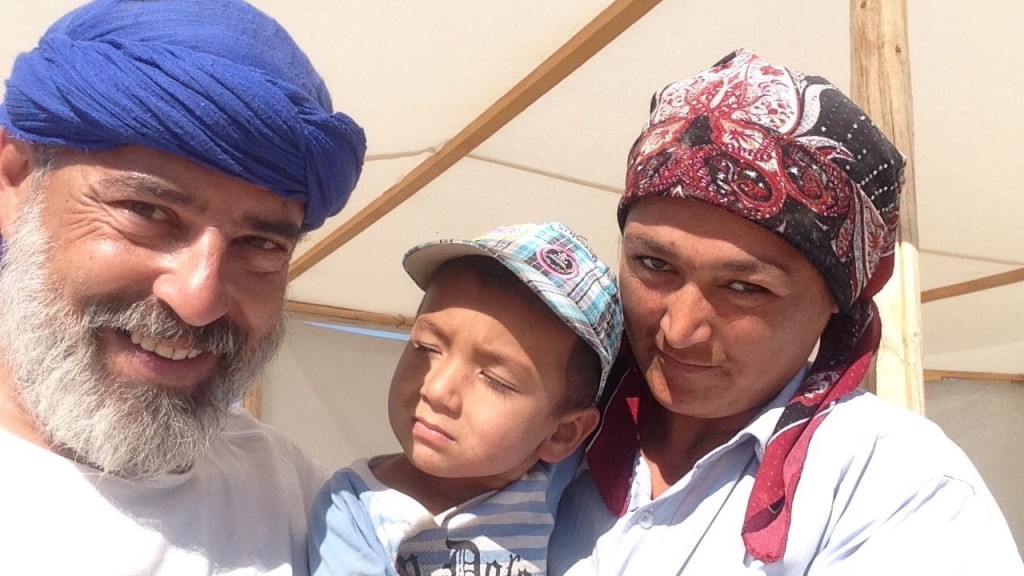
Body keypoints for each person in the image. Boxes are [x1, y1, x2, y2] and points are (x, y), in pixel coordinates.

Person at [548, 49, 1024, 575]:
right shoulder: (540, 420)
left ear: (834, 302)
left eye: (744, 288)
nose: (679, 330)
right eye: (653, 263)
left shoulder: (897, 487)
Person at [0, 1, 366, 574]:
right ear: (15, 180)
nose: (198, 300)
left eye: (261, 245)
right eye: (148, 211)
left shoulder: (316, 513)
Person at [308, 222, 623, 576]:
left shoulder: (554, 482)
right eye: (426, 348)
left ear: (562, 434)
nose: (437, 389)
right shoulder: (356, 508)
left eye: (494, 379)